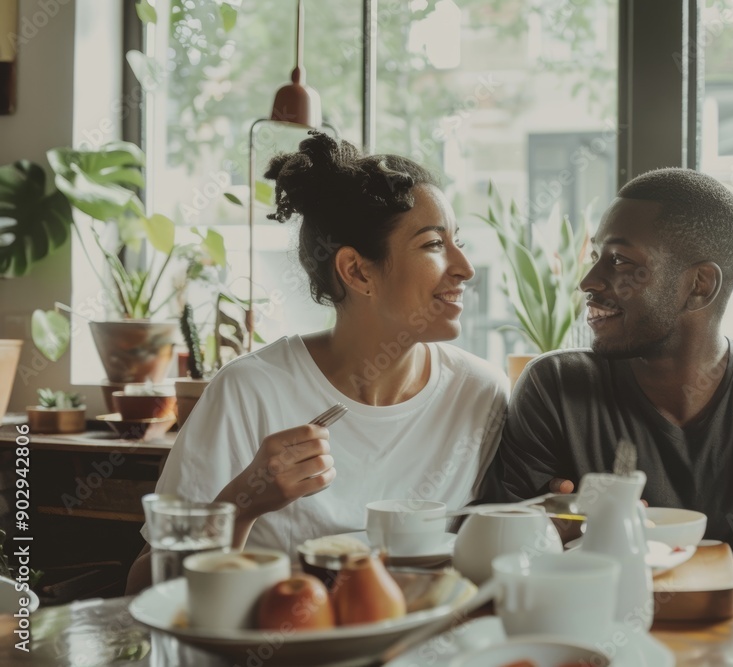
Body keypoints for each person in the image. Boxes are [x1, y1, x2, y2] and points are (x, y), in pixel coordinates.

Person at [126, 132, 507, 592]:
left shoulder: (480, 393)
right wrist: (243, 503)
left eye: (457, 241)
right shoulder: (250, 390)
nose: (465, 266)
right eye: (433, 245)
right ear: (357, 271)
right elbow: (145, 589)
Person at [482, 167, 733, 561]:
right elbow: (511, 558)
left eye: (620, 261)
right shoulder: (556, 387)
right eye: (596, 257)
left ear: (700, 285)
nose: (589, 281)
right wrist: (543, 531)